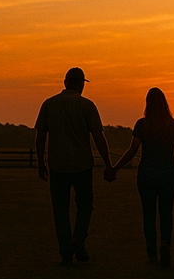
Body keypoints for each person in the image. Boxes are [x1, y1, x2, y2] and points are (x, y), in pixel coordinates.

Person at [35, 67, 115, 265]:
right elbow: (98, 136)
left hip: (58, 164)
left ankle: (65, 251)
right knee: (85, 205)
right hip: (82, 165)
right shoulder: (86, 105)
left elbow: (41, 136)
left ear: (65, 83)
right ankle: (78, 238)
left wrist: (40, 162)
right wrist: (108, 164)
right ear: (80, 84)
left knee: (60, 209)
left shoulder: (49, 104)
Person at [109, 88, 174, 266]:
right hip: (168, 175)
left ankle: (152, 253)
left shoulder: (142, 124)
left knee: (148, 215)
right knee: (166, 213)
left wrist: (115, 168)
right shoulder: (173, 124)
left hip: (146, 176)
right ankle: (165, 243)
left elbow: (132, 151)